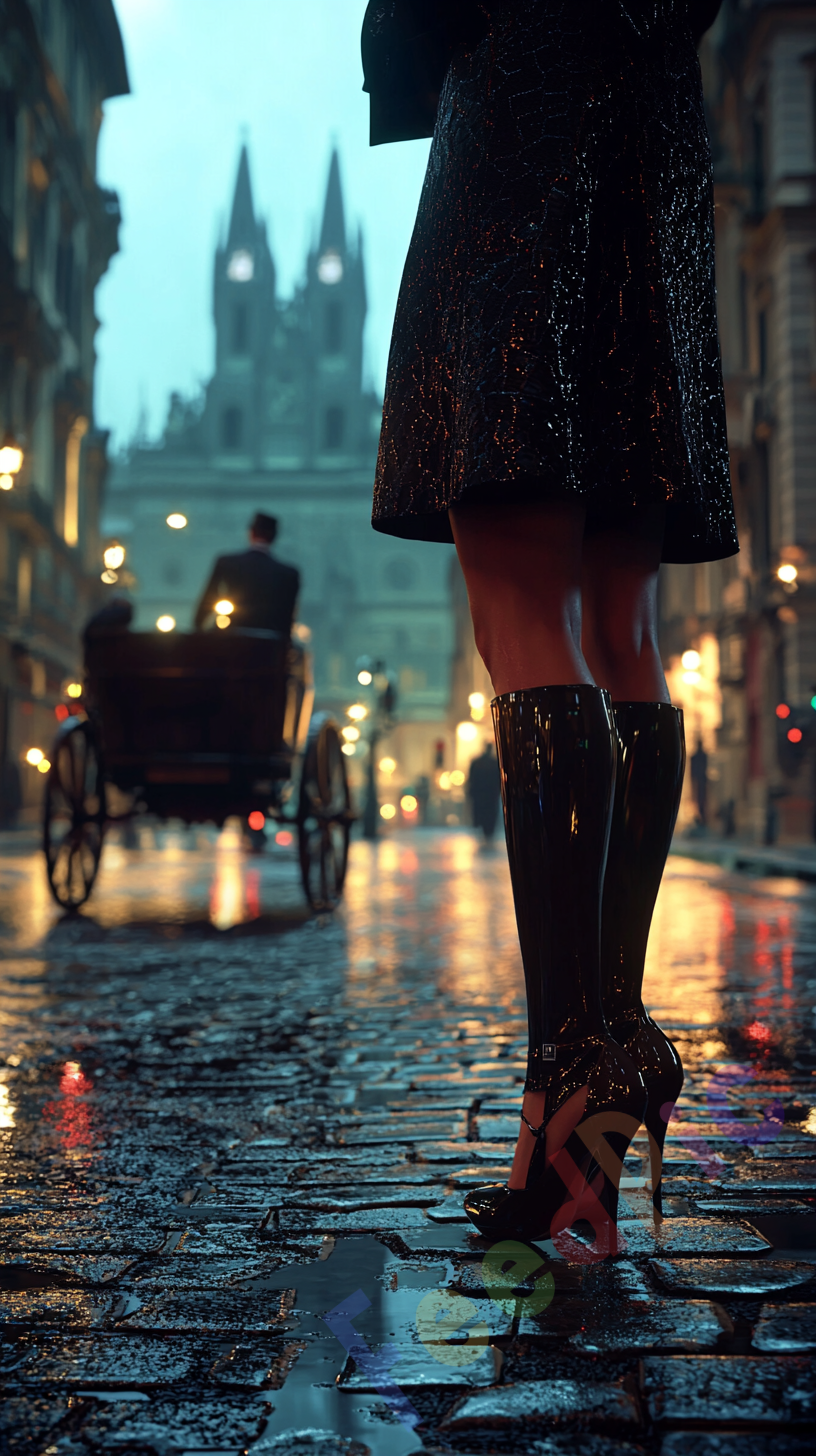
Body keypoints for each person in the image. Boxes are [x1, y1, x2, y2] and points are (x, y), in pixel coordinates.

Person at [363, 1, 732, 1246]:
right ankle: (578, 1103)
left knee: (522, 598)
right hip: (656, 135)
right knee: (621, 621)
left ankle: (580, 1061)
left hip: (525, 102)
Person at [194, 513, 300, 635]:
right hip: (268, 641)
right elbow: (288, 614)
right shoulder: (289, 573)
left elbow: (208, 599)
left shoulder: (227, 563)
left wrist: (198, 629)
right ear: (274, 537)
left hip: (232, 635)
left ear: (251, 533)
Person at [467, 741, 500, 840]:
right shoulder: (494, 763)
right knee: (490, 814)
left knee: (481, 812)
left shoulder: (477, 762)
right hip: (490, 794)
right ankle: (488, 829)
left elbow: (472, 779)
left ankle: (482, 826)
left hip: (480, 794)